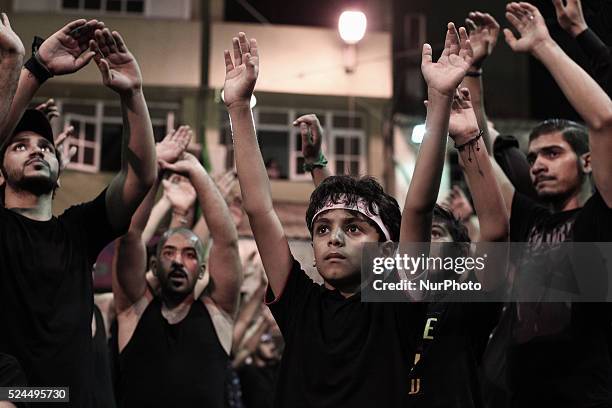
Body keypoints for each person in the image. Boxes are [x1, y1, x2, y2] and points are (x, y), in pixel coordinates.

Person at [225, 24, 479, 406]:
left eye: (355, 228)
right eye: (323, 228)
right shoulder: (300, 303)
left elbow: (418, 207)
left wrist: (440, 100)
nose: (334, 238)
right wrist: (240, 108)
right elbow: (260, 208)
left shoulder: (395, 305)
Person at [296, 41, 508, 407]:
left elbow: (494, 231)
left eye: (435, 235)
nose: (421, 240)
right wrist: (318, 167)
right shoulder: (381, 296)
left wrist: (469, 138)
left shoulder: (464, 300)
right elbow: (348, 221)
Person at [0, 20, 156, 408]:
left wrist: (133, 94)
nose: (37, 150)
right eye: (19, 146)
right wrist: (32, 69)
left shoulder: (77, 231)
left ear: (58, 173)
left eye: (45, 146)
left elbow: (141, 176)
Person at [468, 3, 612, 406]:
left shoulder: (601, 219)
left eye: (552, 154)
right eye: (532, 158)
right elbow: (476, 141)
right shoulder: (529, 221)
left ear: (587, 162)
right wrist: (474, 73)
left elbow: (604, 120)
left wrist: (545, 44)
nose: (537, 165)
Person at [112, 125, 242, 406]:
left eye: (190, 255)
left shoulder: (217, 313)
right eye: (169, 253)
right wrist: (154, 170)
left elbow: (226, 242)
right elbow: (130, 237)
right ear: (155, 265)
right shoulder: (133, 310)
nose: (179, 261)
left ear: (203, 271)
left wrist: (198, 173)